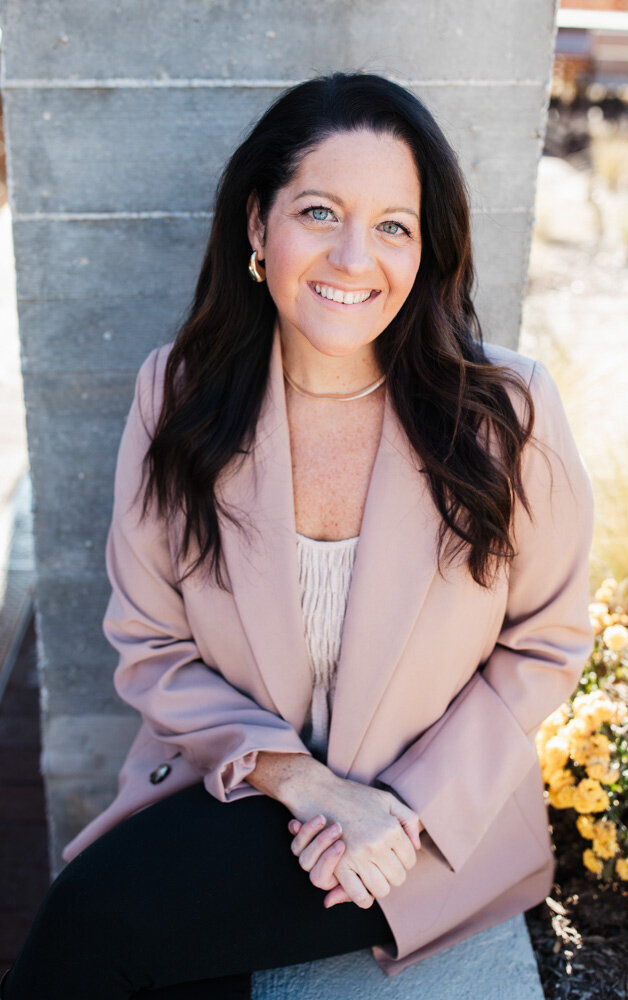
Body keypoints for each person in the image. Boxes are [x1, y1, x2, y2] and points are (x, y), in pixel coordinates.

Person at [1, 71, 595, 999]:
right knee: (135, 945)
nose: (355, 257)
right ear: (256, 226)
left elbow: (545, 642)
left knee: (99, 922)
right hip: (244, 787)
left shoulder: (503, 411)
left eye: (393, 225)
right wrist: (309, 786)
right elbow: (151, 647)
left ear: (425, 249)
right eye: (319, 212)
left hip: (430, 827)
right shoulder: (181, 393)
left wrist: (392, 813)